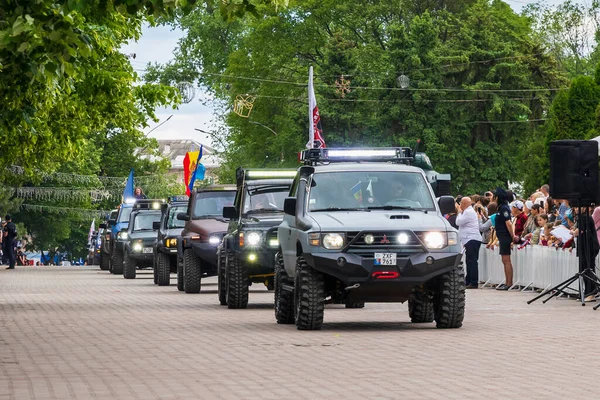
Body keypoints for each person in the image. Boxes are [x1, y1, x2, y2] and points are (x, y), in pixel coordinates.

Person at [456, 197, 482, 289]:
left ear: (464, 203)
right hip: (469, 239)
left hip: (472, 239)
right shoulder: (467, 212)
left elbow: (458, 222)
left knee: (472, 261)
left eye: (461, 203)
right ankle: (469, 280)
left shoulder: (468, 212)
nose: (460, 205)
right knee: (469, 261)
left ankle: (473, 282)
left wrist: (459, 212)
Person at [493, 188, 515, 290]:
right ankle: (507, 281)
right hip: (502, 236)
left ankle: (509, 283)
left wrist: (512, 236)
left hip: (505, 236)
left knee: (506, 260)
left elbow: (508, 223)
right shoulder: (501, 207)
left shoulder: (504, 208)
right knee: (504, 260)